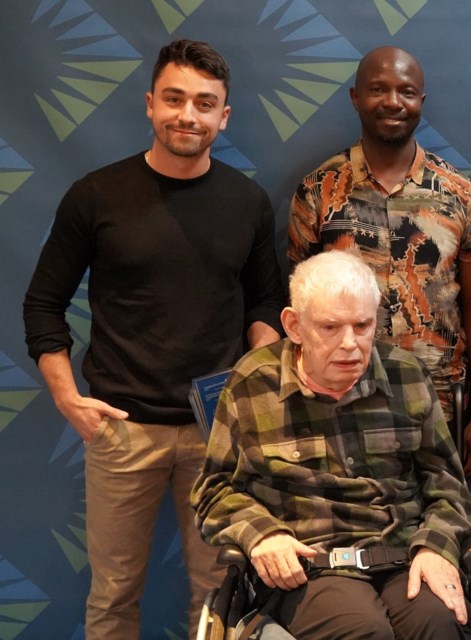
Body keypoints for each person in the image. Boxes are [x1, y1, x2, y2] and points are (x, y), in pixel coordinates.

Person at [22, 39, 285, 638]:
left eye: (203, 103)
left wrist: (258, 374)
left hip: (219, 434)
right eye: (174, 98)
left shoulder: (247, 202)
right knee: (113, 597)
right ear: (149, 104)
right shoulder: (95, 196)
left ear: (225, 116)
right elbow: (43, 304)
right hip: (120, 429)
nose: (187, 115)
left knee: (219, 596)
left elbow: (266, 300)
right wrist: (68, 399)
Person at [191, 250, 471, 639]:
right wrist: (261, 533)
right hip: (311, 565)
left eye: (362, 326)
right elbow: (214, 490)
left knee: (441, 621)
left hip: (404, 555)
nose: (350, 344)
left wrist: (436, 547)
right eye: (330, 327)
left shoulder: (406, 376)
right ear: (294, 326)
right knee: (362, 630)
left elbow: (447, 485)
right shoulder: (252, 383)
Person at [288, 46, 471, 479]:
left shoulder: (460, 195)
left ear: (421, 101)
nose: (392, 102)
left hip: (436, 405)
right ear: (355, 97)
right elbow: (297, 306)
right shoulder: (318, 191)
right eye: (378, 89)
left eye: (407, 91)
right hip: (338, 402)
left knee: (435, 532)